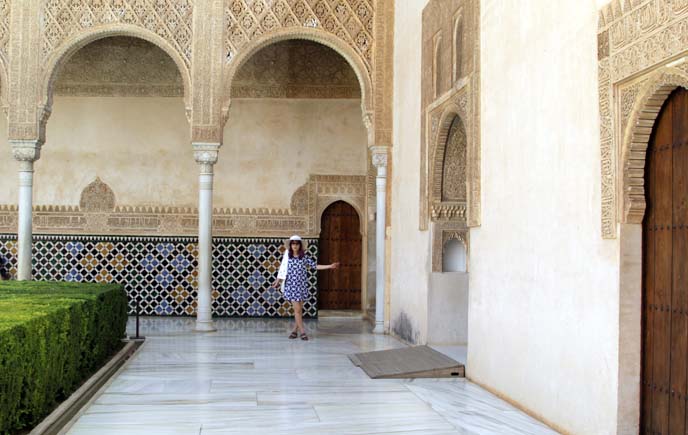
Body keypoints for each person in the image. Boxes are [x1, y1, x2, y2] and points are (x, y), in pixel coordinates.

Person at [272, 235, 338, 341]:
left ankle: (294, 331)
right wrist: (277, 281)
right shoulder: (287, 257)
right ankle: (303, 332)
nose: (295, 246)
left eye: (297, 244)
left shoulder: (304, 257)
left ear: (300, 245)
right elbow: (282, 270)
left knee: (299, 310)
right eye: (293, 244)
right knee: (297, 310)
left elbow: (315, 266)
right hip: (291, 286)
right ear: (290, 245)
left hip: (301, 287)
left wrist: (329, 266)